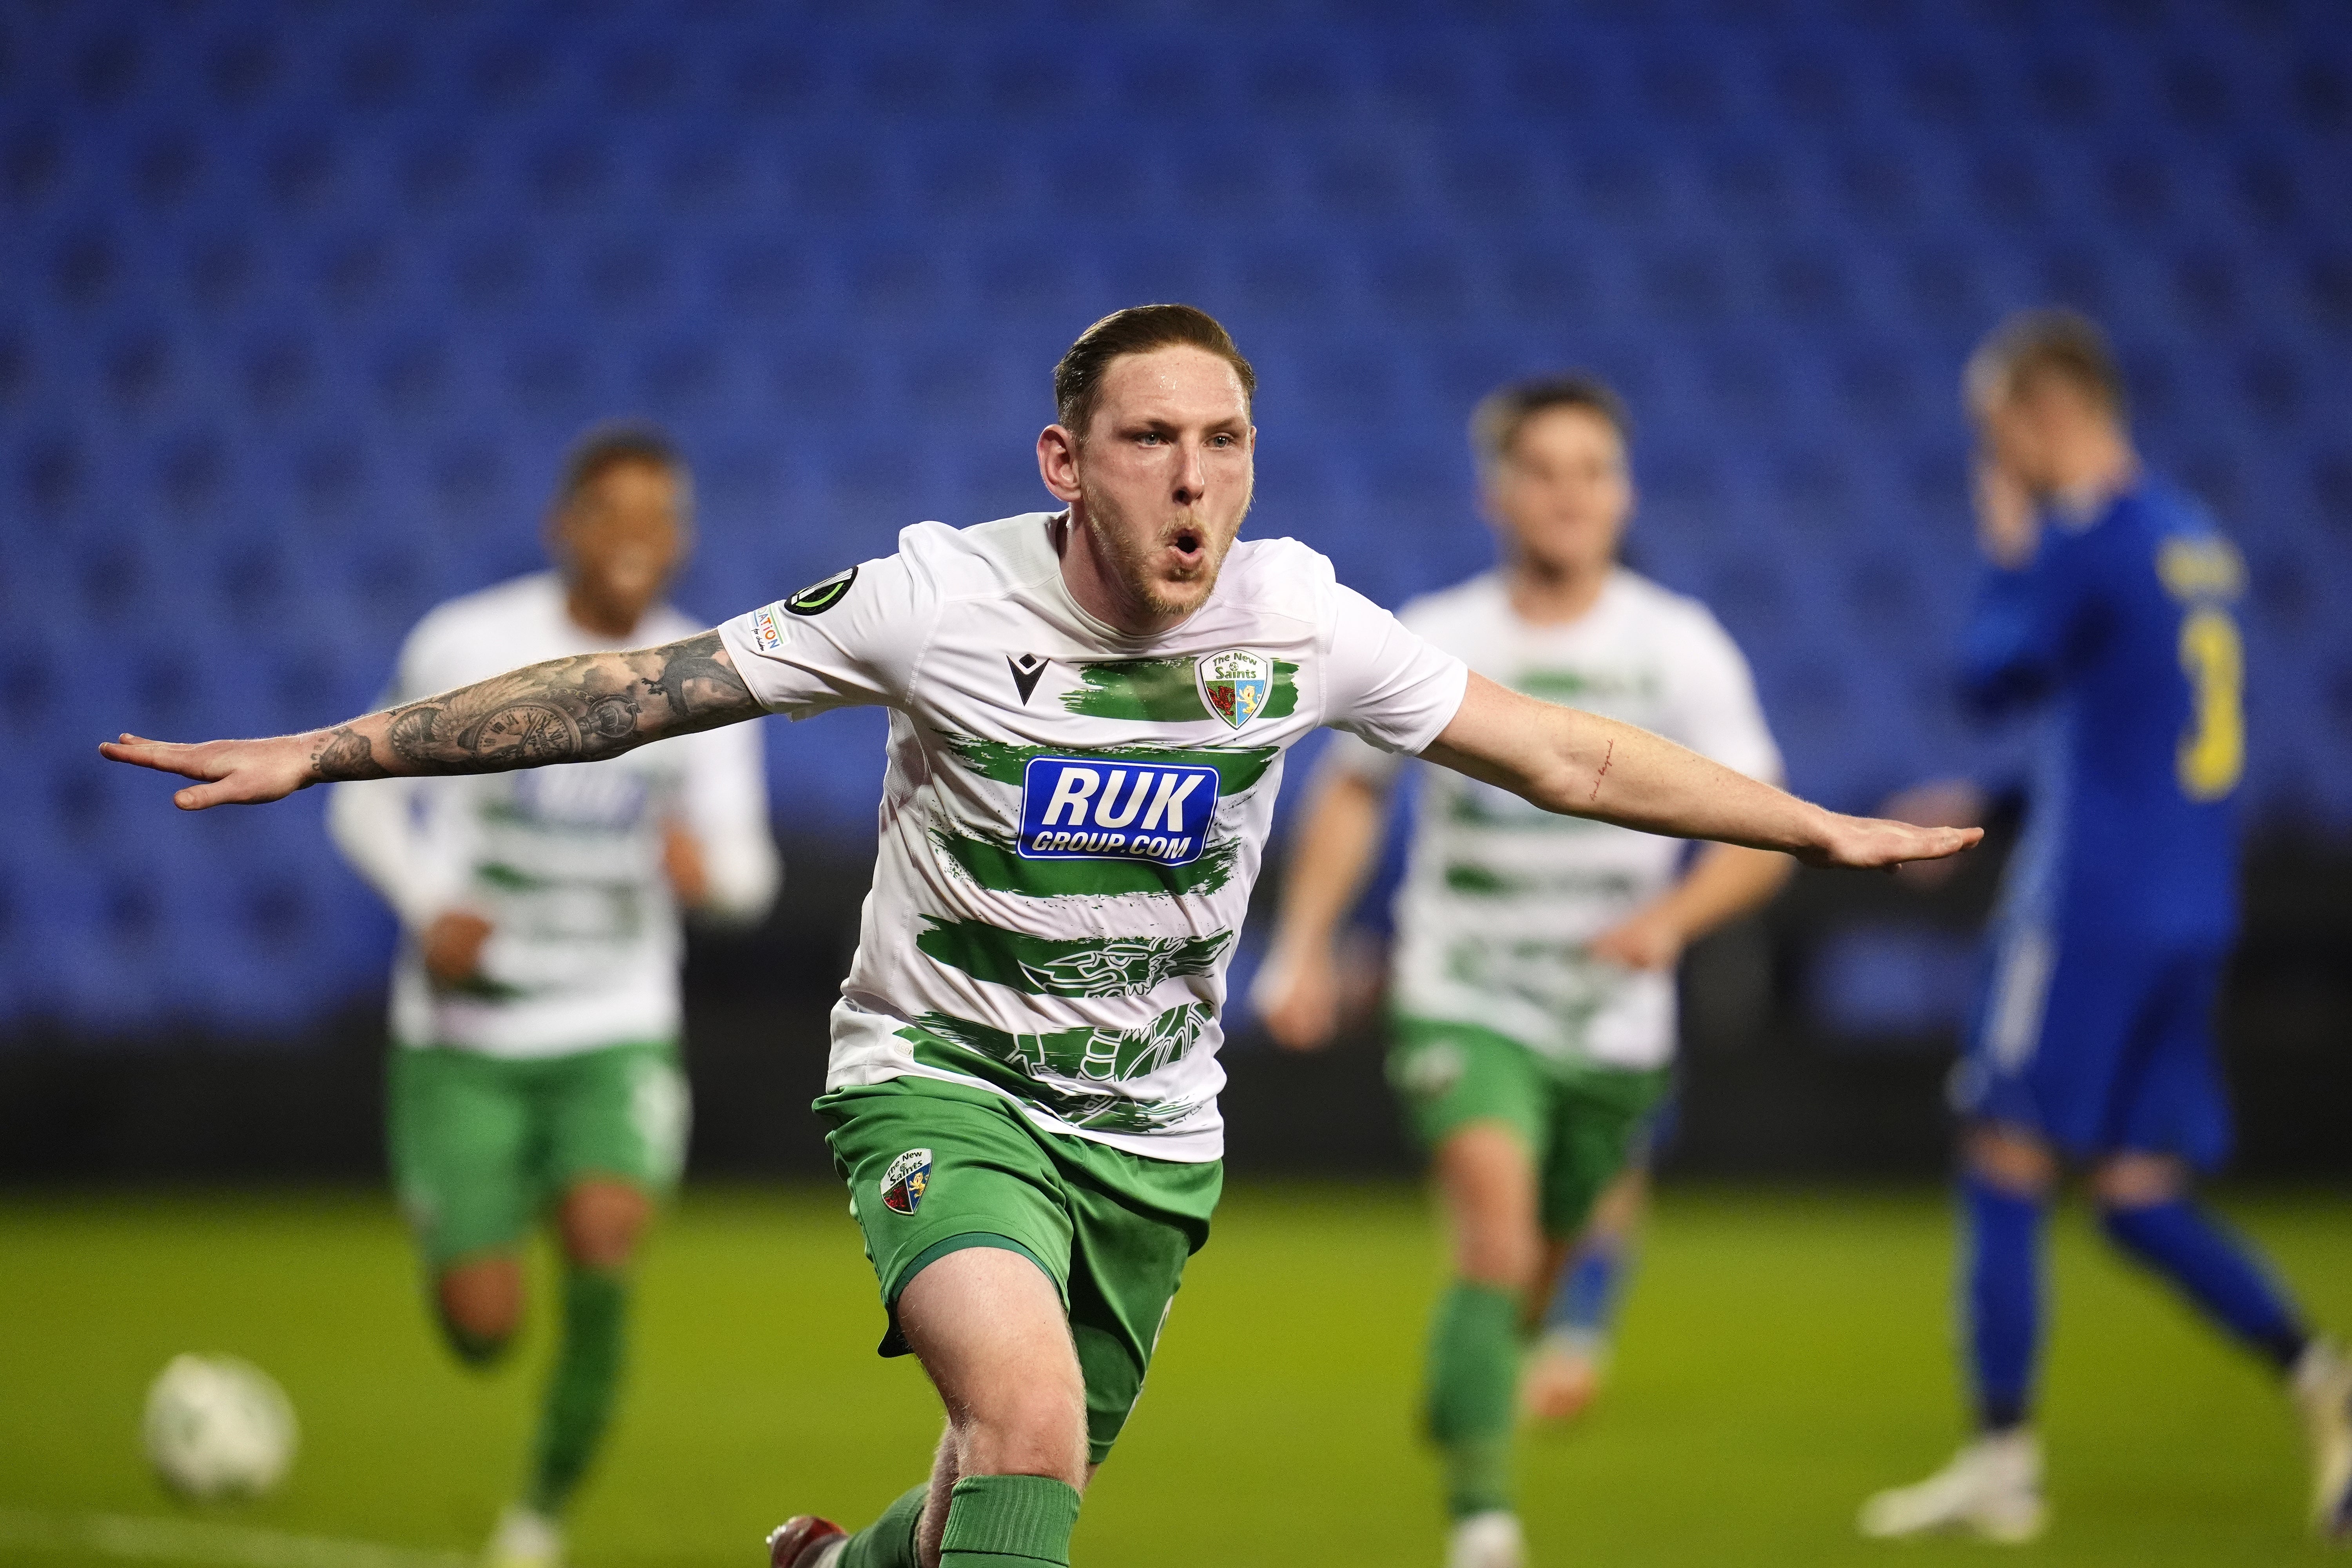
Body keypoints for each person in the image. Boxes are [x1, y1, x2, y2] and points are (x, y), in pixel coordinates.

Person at [102, 305, 1975, 1568]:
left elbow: (1564, 749)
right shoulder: (934, 600)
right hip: (937, 1075)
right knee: (1025, 1409)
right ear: (1066, 460)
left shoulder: (1301, 622)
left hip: (1153, 1131)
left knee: (1012, 1477)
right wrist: (341, 750)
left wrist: (1805, 822)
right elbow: (638, 692)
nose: (1195, 477)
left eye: (1226, 440)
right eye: (1149, 439)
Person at [1252, 376, 1791, 1567]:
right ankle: (1485, 1528)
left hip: (1613, 1021)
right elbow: (1350, 799)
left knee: (1534, 1284)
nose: (1569, 495)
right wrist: (1303, 946)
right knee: (1492, 1242)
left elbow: (1760, 825)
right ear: (1498, 493)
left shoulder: (1677, 643)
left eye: (1592, 470)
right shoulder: (1442, 632)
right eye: (1542, 471)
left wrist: (1673, 923)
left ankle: (1472, 1393)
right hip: (1466, 991)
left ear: (1624, 491)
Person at [1857, 311, 2352, 1545]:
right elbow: (2145, 732)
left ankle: (2003, 1460)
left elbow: (1986, 677)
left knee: (2003, 1152)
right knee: (2135, 1194)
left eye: (1996, 434)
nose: (1994, 458)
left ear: (2047, 413)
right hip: (2193, 900)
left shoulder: (2076, 538)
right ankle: (2318, 1371)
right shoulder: (2193, 537)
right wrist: (2001, 802)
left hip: (2089, 907)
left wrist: (2009, 547)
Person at [326, 424, 780, 1568]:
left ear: (680, 540)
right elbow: (358, 797)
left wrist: (709, 877)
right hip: (468, 1029)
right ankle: (481, 1227)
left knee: (606, 1232)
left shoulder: (707, 672)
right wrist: (432, 904)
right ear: (563, 526)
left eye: (658, 520)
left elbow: (748, 871)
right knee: (482, 1329)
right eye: (612, 517)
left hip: (612, 1020)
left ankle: (539, 1515)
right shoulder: (468, 643)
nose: (637, 541)